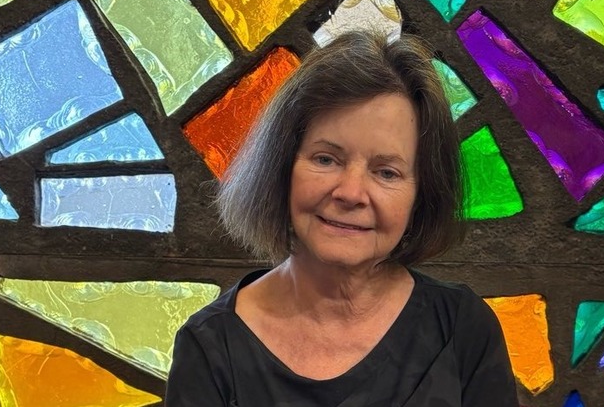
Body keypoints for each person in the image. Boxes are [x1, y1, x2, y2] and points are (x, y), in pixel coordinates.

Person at [165, 31, 518, 406]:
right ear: (281, 168)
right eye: (325, 159)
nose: (350, 193)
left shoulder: (463, 329)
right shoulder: (209, 345)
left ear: (421, 195)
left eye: (386, 172)